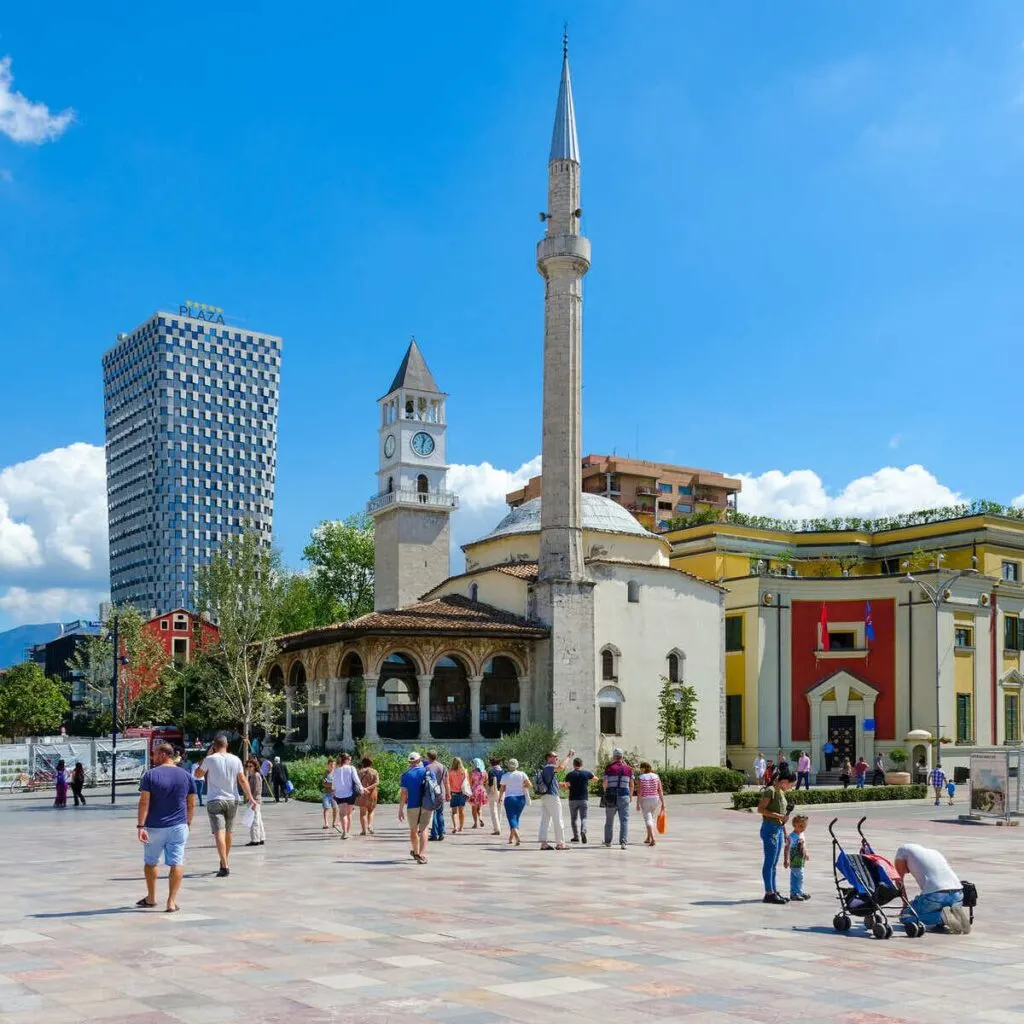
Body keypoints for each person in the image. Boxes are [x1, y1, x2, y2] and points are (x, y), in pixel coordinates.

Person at [136, 741, 196, 912]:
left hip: (155, 826)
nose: (153, 756)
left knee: (151, 862)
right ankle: (171, 902)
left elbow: (144, 802)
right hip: (179, 826)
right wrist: (188, 823)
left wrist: (140, 826)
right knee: (177, 862)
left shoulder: (150, 775)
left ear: (163, 754)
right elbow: (191, 803)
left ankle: (151, 897)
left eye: (155, 753)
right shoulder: (186, 776)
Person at [194, 735, 257, 877]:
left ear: (214, 746)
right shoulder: (236, 759)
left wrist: (207, 755)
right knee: (229, 832)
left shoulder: (210, 759)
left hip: (215, 799)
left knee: (219, 833)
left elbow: (197, 774)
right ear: (227, 745)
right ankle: (224, 861)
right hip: (232, 800)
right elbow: (242, 780)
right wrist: (251, 798)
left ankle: (224, 865)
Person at [894, 843, 970, 934]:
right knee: (927, 905)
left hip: (936, 895)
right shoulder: (934, 853)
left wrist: (905, 904)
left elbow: (899, 881)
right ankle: (952, 914)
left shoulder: (901, 851)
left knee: (906, 916)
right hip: (958, 894)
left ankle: (942, 917)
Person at [758, 768, 796, 904]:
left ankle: (773, 890)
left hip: (778, 829)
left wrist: (784, 832)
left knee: (774, 863)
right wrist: (779, 816)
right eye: (791, 785)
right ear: (784, 781)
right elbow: (760, 809)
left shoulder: (781, 792)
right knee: (769, 862)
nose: (791, 788)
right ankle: (769, 893)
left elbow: (783, 816)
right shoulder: (770, 791)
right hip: (770, 829)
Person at [398, 752, 431, 864]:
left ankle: (416, 852)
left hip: (412, 805)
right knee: (424, 828)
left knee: (413, 829)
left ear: (409, 762)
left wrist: (400, 809)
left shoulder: (405, 775)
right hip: (426, 804)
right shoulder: (427, 771)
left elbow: (403, 794)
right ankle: (421, 855)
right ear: (419, 760)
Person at [537, 749, 573, 851]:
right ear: (549, 758)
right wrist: (569, 756)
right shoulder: (549, 767)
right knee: (558, 819)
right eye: (555, 756)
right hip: (552, 797)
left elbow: (552, 782)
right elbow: (561, 767)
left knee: (545, 820)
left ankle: (544, 843)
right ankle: (560, 844)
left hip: (545, 796)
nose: (557, 758)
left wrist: (561, 785)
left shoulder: (545, 769)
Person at [602, 748, 634, 849]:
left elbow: (605, 783)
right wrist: (630, 796)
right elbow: (631, 784)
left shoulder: (609, 768)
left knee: (609, 820)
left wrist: (605, 791)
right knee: (624, 820)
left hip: (611, 796)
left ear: (614, 757)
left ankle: (608, 842)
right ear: (622, 757)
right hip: (624, 796)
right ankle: (623, 842)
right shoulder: (628, 769)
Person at [499, 757, 531, 847]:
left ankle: (517, 837)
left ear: (508, 766)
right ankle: (510, 838)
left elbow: (502, 788)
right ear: (517, 765)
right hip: (521, 799)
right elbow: (529, 785)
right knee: (516, 818)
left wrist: (500, 797)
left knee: (511, 818)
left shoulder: (505, 776)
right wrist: (521, 785)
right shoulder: (522, 774)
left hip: (509, 799)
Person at [331, 752, 361, 838]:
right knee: (349, 813)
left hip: (339, 795)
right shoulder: (351, 768)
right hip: (350, 794)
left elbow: (333, 783)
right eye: (350, 759)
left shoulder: (336, 770)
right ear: (347, 760)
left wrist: (334, 791)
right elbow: (356, 780)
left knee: (342, 813)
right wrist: (362, 788)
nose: (350, 761)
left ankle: (344, 833)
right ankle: (347, 832)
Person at [636, 761, 665, 847]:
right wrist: (663, 803)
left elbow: (640, 791)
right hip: (655, 799)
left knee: (648, 819)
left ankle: (653, 839)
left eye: (641, 768)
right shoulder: (656, 776)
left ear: (644, 768)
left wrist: (638, 803)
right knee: (651, 817)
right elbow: (660, 790)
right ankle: (648, 837)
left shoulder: (641, 777)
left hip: (645, 799)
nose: (640, 769)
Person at [565, 757, 594, 843]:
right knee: (584, 817)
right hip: (583, 799)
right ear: (581, 764)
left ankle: (576, 836)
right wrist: (588, 781)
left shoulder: (570, 775)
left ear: (574, 765)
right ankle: (583, 831)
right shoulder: (586, 773)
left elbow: (567, 785)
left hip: (572, 799)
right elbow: (595, 779)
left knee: (573, 819)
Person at [784, 812, 810, 901]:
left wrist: (806, 853)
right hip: (794, 859)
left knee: (800, 876)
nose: (803, 828)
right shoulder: (792, 837)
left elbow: (803, 845)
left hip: (800, 860)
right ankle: (794, 893)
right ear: (794, 825)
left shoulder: (801, 834)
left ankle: (799, 891)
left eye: (804, 826)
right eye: (800, 826)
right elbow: (787, 848)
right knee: (797, 876)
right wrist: (786, 860)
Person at [425, 751, 450, 841]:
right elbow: (446, 782)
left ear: (428, 757)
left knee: (433, 813)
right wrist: (448, 793)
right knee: (440, 813)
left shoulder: (427, 767)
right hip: (440, 792)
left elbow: (426, 781)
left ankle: (434, 834)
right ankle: (441, 832)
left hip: (431, 794)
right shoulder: (443, 767)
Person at [243, 756, 265, 847]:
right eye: (247, 766)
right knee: (258, 820)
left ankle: (255, 839)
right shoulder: (253, 775)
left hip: (254, 800)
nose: (249, 768)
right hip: (255, 800)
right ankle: (261, 837)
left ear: (255, 766)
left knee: (254, 820)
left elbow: (256, 789)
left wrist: (253, 801)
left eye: (251, 766)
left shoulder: (255, 775)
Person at [357, 756, 380, 835]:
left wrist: (364, 788)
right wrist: (368, 788)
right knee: (371, 810)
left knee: (362, 813)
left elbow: (357, 783)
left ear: (363, 763)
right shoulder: (374, 771)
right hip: (372, 794)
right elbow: (377, 783)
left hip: (362, 794)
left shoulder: (360, 772)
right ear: (371, 763)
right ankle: (370, 825)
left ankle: (363, 831)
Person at [448, 756, 468, 834]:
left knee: (454, 812)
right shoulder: (464, 771)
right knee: (461, 811)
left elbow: (449, 783)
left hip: (453, 793)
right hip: (462, 793)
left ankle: (455, 826)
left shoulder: (450, 772)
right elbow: (467, 783)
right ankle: (461, 827)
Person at [468, 758, 488, 829]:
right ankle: (480, 818)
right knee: (479, 807)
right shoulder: (484, 772)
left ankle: (475, 824)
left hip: (474, 791)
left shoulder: (472, 773)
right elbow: (486, 781)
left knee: (474, 808)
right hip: (482, 790)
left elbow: (470, 782)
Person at [486, 757, 504, 835]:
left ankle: (497, 829)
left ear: (491, 763)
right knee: (500, 810)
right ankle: (499, 827)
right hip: (502, 792)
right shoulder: (503, 771)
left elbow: (490, 783)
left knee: (493, 811)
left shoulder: (491, 772)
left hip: (493, 792)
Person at [321, 758, 337, 829]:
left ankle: (334, 823)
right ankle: (326, 823)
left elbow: (338, 784)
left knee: (335, 809)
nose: (332, 766)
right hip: (326, 793)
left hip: (334, 794)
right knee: (326, 808)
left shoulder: (336, 773)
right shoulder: (326, 773)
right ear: (328, 765)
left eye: (334, 764)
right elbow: (324, 784)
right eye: (331, 764)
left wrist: (329, 783)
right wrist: (332, 784)